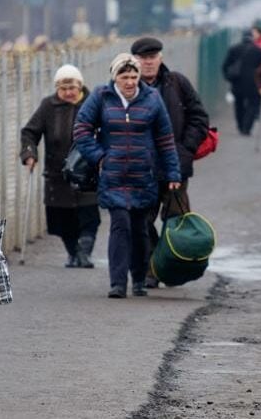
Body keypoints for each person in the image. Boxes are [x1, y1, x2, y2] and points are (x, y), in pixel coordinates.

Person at [74, 53, 181, 299]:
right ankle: (118, 283)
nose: (130, 81)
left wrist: (173, 171)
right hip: (113, 176)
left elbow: (165, 139)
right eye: (125, 76)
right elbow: (81, 129)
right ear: (115, 77)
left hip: (143, 175)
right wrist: (100, 157)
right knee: (120, 225)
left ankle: (140, 279)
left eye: (134, 76)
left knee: (141, 229)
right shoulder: (101, 97)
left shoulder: (152, 99)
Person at [131, 37, 209, 287]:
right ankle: (153, 268)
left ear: (160, 58)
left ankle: (174, 267)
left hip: (176, 166)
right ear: (135, 61)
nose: (148, 62)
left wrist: (185, 149)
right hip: (141, 169)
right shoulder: (127, 87)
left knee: (176, 220)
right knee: (141, 221)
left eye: (152, 57)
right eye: (144, 58)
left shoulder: (177, 83)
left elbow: (199, 117)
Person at [19, 64, 101, 268]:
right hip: (57, 173)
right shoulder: (48, 106)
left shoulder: (92, 104)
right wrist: (30, 153)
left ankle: (84, 252)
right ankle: (73, 253)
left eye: (72, 88)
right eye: (63, 89)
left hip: (86, 171)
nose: (68, 93)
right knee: (62, 218)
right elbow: (30, 132)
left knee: (89, 215)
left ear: (80, 86)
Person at [222, 29, 261, 136]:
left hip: (237, 82)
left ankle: (240, 125)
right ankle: (247, 127)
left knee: (238, 104)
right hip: (254, 83)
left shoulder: (234, 49)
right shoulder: (259, 51)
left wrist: (229, 78)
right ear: (252, 38)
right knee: (253, 104)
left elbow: (225, 66)